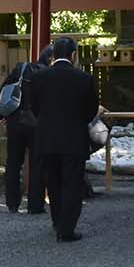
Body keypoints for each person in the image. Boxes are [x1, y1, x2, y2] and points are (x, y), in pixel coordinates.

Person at [27, 36, 99, 243]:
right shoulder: (84, 78)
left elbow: (34, 107)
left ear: (53, 54)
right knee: (72, 183)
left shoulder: (39, 77)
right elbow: (91, 109)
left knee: (53, 182)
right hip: (73, 137)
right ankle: (67, 229)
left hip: (46, 137)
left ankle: (57, 221)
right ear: (73, 54)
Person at [0, 52, 46, 214]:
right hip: (37, 125)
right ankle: (35, 205)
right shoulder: (46, 75)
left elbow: (4, 90)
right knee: (37, 164)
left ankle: (12, 203)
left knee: (13, 162)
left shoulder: (21, 68)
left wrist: (3, 115)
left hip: (15, 122)